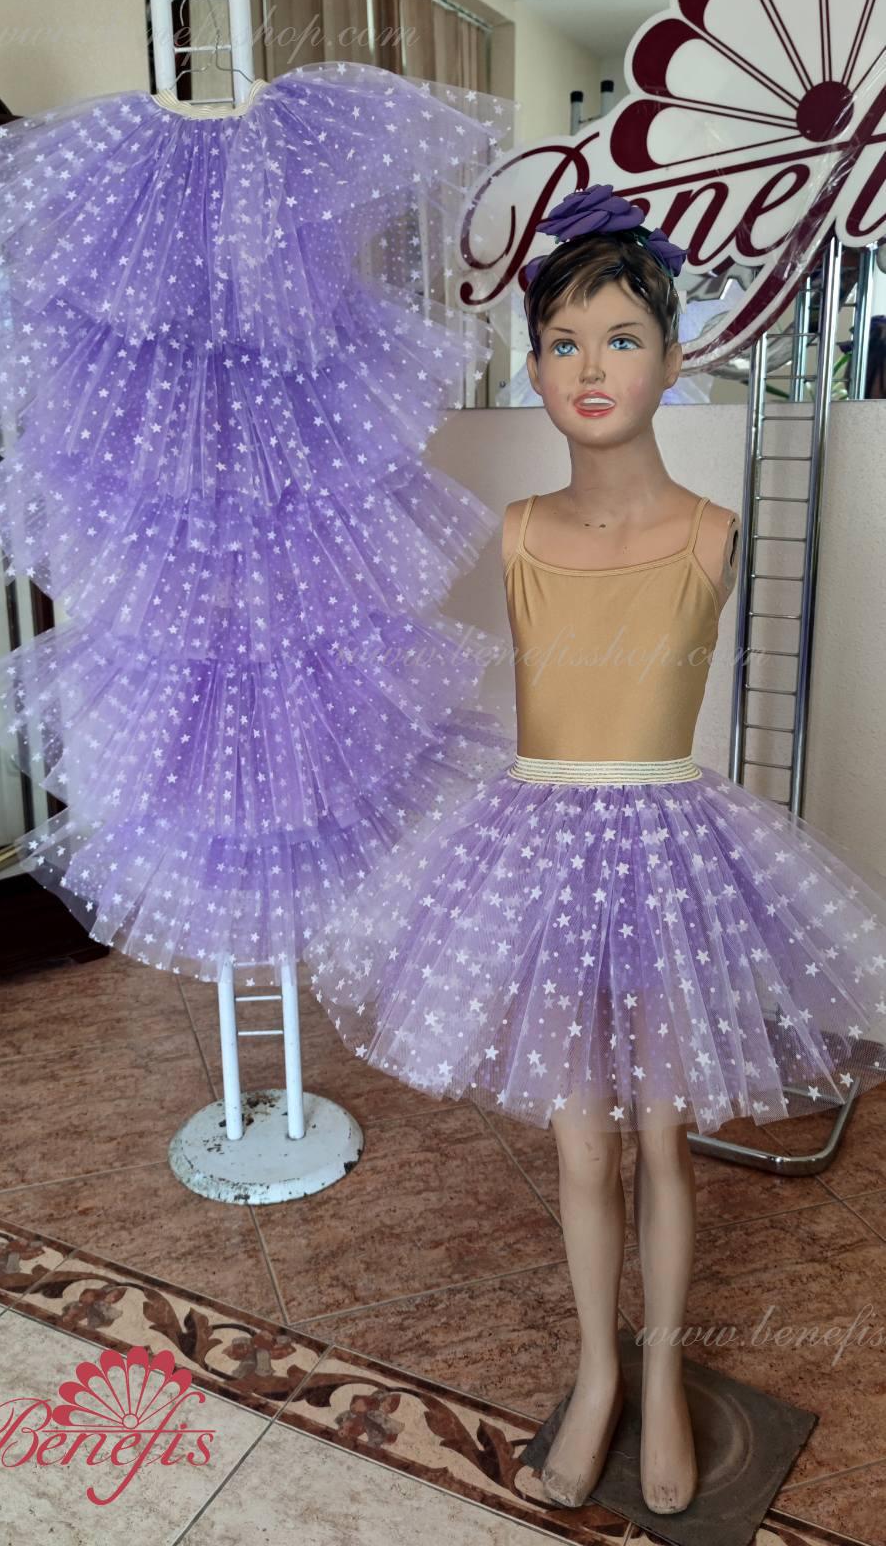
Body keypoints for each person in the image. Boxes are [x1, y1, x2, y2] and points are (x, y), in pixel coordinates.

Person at [307, 185, 886, 1518]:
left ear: (674, 359)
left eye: (623, 338)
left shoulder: (712, 529)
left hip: (673, 860)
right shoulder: (519, 530)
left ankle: (665, 1374)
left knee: (664, 1145)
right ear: (533, 363)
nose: (590, 367)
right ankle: (599, 1371)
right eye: (563, 342)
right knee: (581, 1151)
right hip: (537, 860)